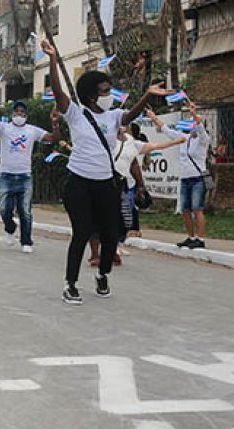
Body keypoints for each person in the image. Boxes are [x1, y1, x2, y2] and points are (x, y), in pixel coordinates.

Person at [42, 40, 169, 305]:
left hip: (105, 184)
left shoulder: (113, 117)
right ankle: (71, 284)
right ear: (91, 96)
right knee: (82, 232)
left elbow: (131, 115)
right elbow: (57, 91)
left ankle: (103, 274)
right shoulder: (76, 114)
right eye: (104, 90)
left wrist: (147, 94)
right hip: (78, 183)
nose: (109, 94)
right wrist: (53, 59)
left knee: (112, 234)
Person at [0, 98, 59, 253]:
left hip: (24, 176)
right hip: (6, 175)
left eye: (22, 112)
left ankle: (26, 241)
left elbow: (53, 138)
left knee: (25, 210)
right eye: (16, 111)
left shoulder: (32, 130)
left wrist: (55, 123)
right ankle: (10, 228)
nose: (19, 114)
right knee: (4, 209)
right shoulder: (4, 128)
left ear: (26, 115)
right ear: (12, 114)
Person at [146, 103, 211, 249]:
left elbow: (200, 129)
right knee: (186, 209)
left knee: (197, 208)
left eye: (194, 124)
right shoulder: (183, 138)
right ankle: (191, 236)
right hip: (185, 178)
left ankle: (201, 239)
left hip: (197, 179)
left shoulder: (203, 140)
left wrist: (195, 115)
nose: (192, 127)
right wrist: (153, 117)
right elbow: (166, 130)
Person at [113, 125, 185, 246]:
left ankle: (116, 245)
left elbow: (155, 146)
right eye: (122, 126)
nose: (124, 129)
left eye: (126, 127)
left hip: (124, 185)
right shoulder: (108, 141)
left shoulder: (133, 144)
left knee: (124, 217)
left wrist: (176, 141)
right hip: (106, 183)